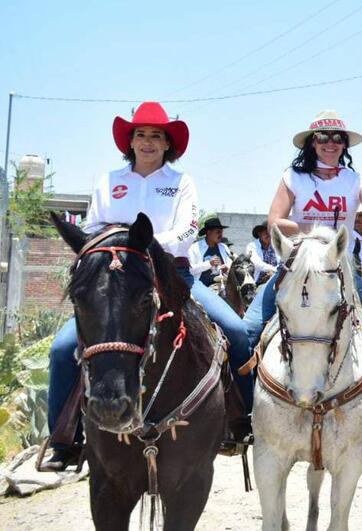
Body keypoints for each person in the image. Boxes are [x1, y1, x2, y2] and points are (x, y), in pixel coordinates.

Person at [43, 102, 253, 471]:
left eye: (156, 135)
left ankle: (242, 421)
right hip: (117, 280)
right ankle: (64, 441)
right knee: (62, 349)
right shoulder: (109, 181)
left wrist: (147, 246)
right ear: (130, 141)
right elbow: (93, 229)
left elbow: (188, 230)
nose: (148, 141)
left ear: (168, 143)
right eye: (140, 134)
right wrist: (122, 245)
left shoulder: (180, 182)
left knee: (236, 332)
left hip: (174, 274)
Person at [242, 110, 362, 366]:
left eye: (337, 137)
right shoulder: (293, 177)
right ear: (312, 143)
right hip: (296, 266)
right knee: (247, 331)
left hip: (340, 269)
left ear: (344, 144)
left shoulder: (355, 179)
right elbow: (274, 222)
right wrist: (316, 228)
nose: (330, 143)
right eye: (322, 137)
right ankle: (246, 392)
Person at [188, 216, 232, 287]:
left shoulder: (223, 247)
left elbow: (231, 264)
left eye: (221, 232)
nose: (221, 235)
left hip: (222, 285)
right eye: (218, 232)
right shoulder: (195, 248)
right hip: (201, 286)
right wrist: (209, 263)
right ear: (209, 232)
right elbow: (190, 270)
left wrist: (226, 268)